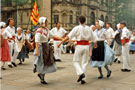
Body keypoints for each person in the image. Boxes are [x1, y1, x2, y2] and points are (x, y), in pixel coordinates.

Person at [58, 16, 96, 84]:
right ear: (85, 21)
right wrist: (95, 43)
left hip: (79, 45)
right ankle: (83, 78)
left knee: (75, 61)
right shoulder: (88, 28)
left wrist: (61, 42)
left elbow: (68, 36)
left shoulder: (77, 28)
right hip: (86, 46)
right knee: (84, 62)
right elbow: (94, 37)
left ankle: (81, 73)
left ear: (79, 21)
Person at [33, 17, 63, 84]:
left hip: (46, 47)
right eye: (46, 21)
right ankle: (41, 76)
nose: (47, 22)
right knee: (42, 62)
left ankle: (42, 76)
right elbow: (37, 41)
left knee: (46, 62)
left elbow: (53, 36)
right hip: (41, 48)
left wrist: (61, 39)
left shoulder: (46, 29)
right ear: (43, 22)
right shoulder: (39, 30)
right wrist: (37, 50)